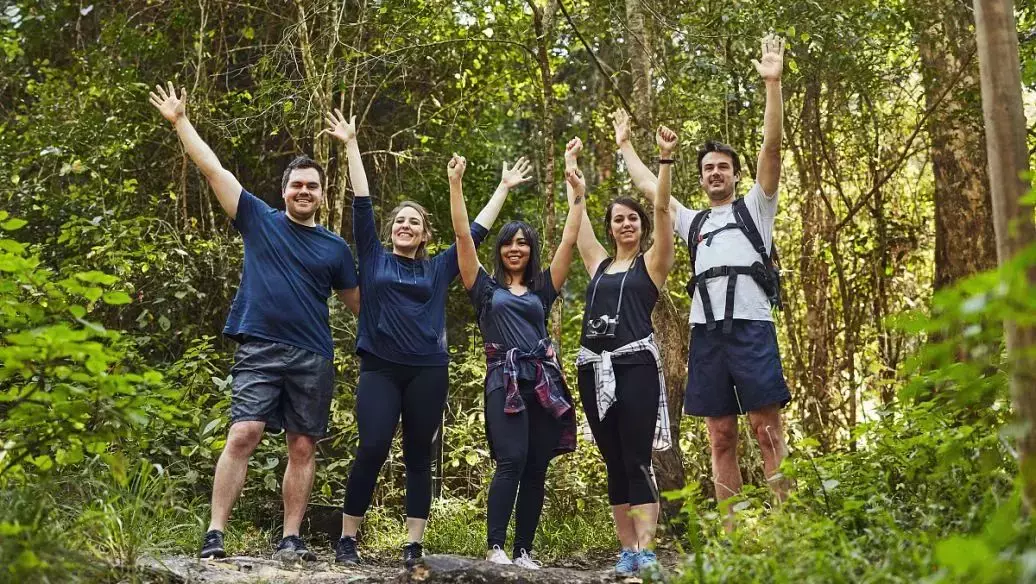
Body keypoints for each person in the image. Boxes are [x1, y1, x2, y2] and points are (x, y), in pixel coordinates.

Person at [149, 82, 361, 562]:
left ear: (323, 195)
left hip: (313, 355)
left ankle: (290, 538)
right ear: (284, 190)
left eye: (312, 186)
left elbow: (361, 306)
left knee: (303, 445)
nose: (303, 191)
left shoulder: (335, 248)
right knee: (243, 433)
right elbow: (212, 167)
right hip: (260, 346)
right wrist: (181, 120)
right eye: (296, 184)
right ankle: (215, 534)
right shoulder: (259, 219)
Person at [323, 110, 517, 566]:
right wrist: (351, 143)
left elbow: (474, 232)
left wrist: (502, 188)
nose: (405, 225)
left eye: (414, 222)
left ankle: (413, 544)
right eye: (400, 221)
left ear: (425, 233)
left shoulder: (438, 267)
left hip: (428, 370)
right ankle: (348, 538)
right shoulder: (372, 257)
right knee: (371, 446)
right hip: (381, 367)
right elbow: (362, 201)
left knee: (417, 456)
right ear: (391, 231)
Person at [614, 34, 791, 526]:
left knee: (766, 429)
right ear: (701, 177)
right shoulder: (694, 222)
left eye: (724, 168)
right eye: (709, 169)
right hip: (707, 334)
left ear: (736, 175)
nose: (716, 173)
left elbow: (772, 148)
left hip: (751, 327)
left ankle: (789, 532)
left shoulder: (756, 208)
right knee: (720, 435)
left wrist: (772, 84)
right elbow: (652, 187)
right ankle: (732, 537)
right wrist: (626, 145)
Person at [447, 148, 584, 569]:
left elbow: (568, 241)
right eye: (509, 242)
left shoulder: (543, 289)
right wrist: (456, 185)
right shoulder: (485, 290)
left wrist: (577, 195)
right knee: (511, 460)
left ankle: (524, 550)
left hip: (542, 380)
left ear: (530, 251)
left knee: (536, 467)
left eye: (523, 243)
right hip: (503, 381)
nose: (515, 248)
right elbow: (464, 238)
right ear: (501, 250)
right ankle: (496, 546)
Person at [572, 126, 677, 575]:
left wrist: (665, 160)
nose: (625, 223)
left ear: (642, 225)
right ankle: (626, 549)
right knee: (613, 459)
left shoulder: (652, 262)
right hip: (593, 368)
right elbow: (578, 228)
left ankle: (647, 549)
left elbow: (662, 208)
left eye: (632, 218)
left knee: (636, 456)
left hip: (634, 365)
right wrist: (572, 177)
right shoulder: (597, 263)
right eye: (618, 219)